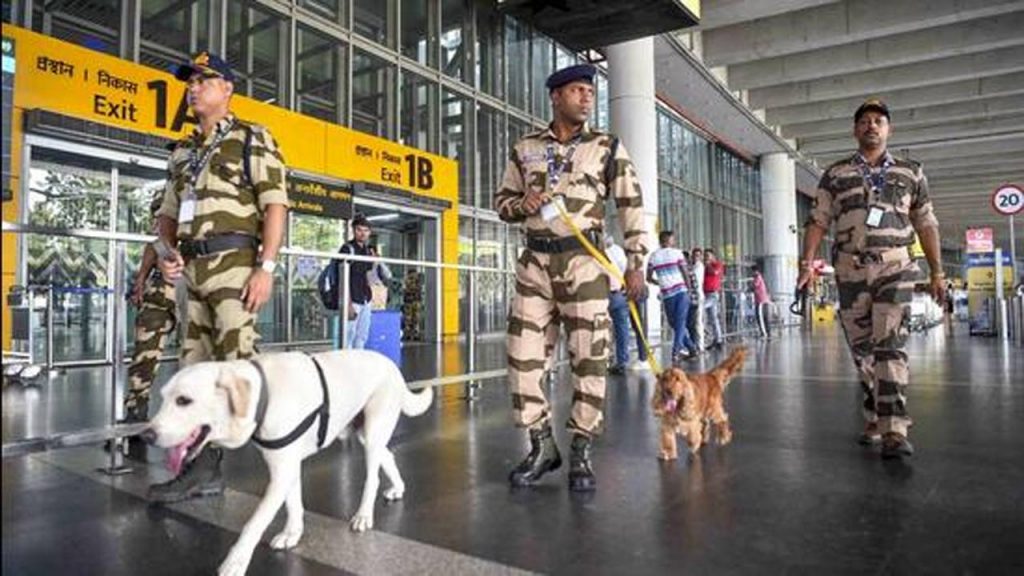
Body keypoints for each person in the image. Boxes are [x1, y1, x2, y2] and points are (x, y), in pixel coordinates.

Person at [495, 63, 649, 492]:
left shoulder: (606, 147)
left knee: (590, 360)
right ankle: (542, 444)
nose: (587, 97)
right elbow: (501, 203)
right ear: (556, 96)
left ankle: (581, 447)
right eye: (578, 90)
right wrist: (522, 203)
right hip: (535, 268)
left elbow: (632, 205)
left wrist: (636, 262)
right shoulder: (525, 147)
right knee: (521, 360)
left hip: (585, 264)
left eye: (590, 91)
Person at [150, 51, 289, 501]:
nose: (193, 87)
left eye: (203, 80)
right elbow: (167, 214)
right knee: (192, 373)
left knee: (238, 369)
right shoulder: (183, 152)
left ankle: (282, 469)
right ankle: (201, 470)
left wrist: (266, 268)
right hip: (193, 274)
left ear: (227, 89)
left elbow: (275, 205)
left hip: (235, 268)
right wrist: (168, 254)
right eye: (190, 81)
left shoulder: (253, 138)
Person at [797, 98, 944, 460]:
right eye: (864, 121)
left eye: (879, 121)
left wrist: (938, 272)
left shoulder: (911, 172)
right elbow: (817, 221)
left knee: (889, 345)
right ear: (855, 130)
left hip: (896, 268)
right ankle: (875, 416)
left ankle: (894, 428)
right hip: (849, 270)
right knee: (862, 351)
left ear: (888, 129)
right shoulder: (836, 174)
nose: (872, 126)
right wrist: (806, 264)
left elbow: (926, 223)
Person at [123, 194, 178, 425]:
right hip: (159, 293)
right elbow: (155, 245)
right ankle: (136, 411)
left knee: (197, 355)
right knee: (144, 354)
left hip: (193, 290)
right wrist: (141, 280)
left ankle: (200, 424)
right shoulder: (156, 242)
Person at [338, 214, 391, 349]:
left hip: (366, 299)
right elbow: (343, 277)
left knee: (362, 336)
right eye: (359, 230)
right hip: (353, 299)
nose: (362, 233)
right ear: (353, 230)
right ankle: (345, 366)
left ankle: (357, 366)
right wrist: (348, 303)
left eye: (366, 230)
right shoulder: (347, 249)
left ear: (369, 232)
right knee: (348, 337)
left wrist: (375, 262)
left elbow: (372, 276)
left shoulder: (368, 251)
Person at [647, 231, 697, 363]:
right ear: (668, 240)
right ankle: (688, 349)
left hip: (667, 294)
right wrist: (689, 289)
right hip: (681, 291)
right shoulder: (677, 253)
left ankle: (678, 350)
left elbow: (648, 277)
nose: (674, 242)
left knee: (674, 323)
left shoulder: (653, 256)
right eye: (673, 239)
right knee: (679, 322)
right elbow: (685, 272)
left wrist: (660, 282)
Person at [605, 235, 649, 375]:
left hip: (611, 294)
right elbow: (627, 268)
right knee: (632, 326)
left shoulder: (595, 252)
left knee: (617, 328)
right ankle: (638, 358)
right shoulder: (617, 251)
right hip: (626, 292)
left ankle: (620, 361)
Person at [703, 248, 725, 350]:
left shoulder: (717, 265)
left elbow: (715, 273)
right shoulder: (704, 267)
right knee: (712, 318)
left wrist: (708, 265)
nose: (706, 257)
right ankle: (717, 339)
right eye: (705, 255)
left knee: (700, 308)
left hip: (713, 294)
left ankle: (717, 339)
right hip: (705, 293)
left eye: (708, 255)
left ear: (713, 256)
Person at [689, 247, 706, 353]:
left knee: (698, 321)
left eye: (698, 255)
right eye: (694, 255)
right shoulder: (693, 266)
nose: (696, 257)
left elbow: (695, 280)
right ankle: (695, 344)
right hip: (693, 295)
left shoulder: (699, 267)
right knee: (694, 322)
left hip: (698, 295)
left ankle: (700, 345)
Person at [751, 264, 771, 337]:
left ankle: (764, 333)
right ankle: (766, 332)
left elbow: (754, 286)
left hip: (760, 300)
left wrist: (750, 288)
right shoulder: (760, 277)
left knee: (760, 317)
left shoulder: (757, 277)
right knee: (764, 316)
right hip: (763, 299)